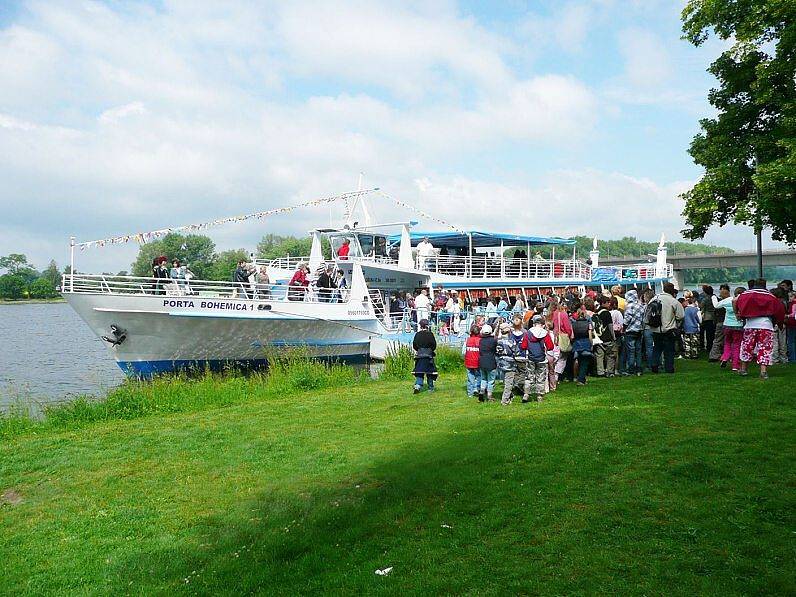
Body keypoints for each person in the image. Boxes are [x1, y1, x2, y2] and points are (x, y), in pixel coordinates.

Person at [735, 280, 785, 379]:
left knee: (747, 347)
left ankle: (743, 369)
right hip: (766, 325)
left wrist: (738, 314)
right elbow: (780, 310)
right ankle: (763, 372)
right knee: (765, 348)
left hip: (750, 324)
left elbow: (735, 301)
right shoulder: (771, 297)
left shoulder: (745, 294)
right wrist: (779, 323)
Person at [649, 282, 685, 374]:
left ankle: (654, 366)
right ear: (672, 291)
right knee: (669, 350)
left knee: (657, 348)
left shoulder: (654, 298)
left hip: (655, 329)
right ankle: (669, 369)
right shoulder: (673, 301)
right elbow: (680, 316)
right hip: (668, 329)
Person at [498, 319, 530, 405]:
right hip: (510, 364)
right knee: (509, 382)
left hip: (501, 363)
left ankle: (510, 395)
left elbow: (497, 352)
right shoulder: (511, 342)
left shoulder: (498, 341)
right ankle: (505, 400)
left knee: (505, 381)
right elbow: (516, 352)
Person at [526, 314, 554, 401]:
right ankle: (539, 396)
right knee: (540, 377)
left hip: (531, 357)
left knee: (529, 376)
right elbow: (550, 346)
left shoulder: (528, 333)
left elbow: (523, 346)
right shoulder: (545, 333)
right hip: (541, 358)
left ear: (533, 323)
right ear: (542, 323)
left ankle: (527, 394)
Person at [717, 286, 744, 370]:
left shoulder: (728, 300)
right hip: (738, 325)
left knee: (727, 342)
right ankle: (735, 365)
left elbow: (717, 306)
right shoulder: (743, 301)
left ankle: (725, 357)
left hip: (727, 325)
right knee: (736, 345)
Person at [592, 296, 616, 377]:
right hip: (607, 336)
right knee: (610, 355)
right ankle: (609, 371)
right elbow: (610, 326)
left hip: (598, 337)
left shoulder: (596, 313)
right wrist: (613, 336)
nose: (609, 304)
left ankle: (600, 371)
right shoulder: (607, 313)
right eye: (607, 302)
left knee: (599, 355)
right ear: (603, 303)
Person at [622, 289, 644, 376]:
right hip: (639, 330)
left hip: (630, 330)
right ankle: (639, 369)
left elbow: (627, 318)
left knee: (631, 351)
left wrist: (624, 326)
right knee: (638, 350)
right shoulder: (640, 306)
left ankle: (631, 369)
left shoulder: (629, 306)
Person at [412, 319, 437, 393]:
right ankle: (430, 388)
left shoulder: (417, 334)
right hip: (428, 355)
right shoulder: (430, 334)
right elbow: (434, 345)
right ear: (427, 325)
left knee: (419, 371)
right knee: (430, 372)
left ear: (420, 326)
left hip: (419, 355)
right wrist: (430, 350)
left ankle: (418, 385)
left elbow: (414, 345)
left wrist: (419, 350)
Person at [570, 305, 594, 386]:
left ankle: (582, 379)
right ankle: (580, 380)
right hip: (586, 343)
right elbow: (590, 335)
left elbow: (572, 336)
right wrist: (591, 344)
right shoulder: (588, 324)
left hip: (577, 344)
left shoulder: (573, 324)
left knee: (579, 361)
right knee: (585, 362)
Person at [477, 324, 498, 401]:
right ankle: (489, 395)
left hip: (482, 362)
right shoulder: (493, 341)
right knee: (491, 380)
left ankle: (481, 392)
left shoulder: (481, 341)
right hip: (491, 362)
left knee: (483, 378)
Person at [462, 324, 482, 399]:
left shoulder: (467, 340)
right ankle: (477, 388)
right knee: (479, 376)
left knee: (470, 377)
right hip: (478, 362)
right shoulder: (480, 340)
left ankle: (470, 393)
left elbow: (463, 352)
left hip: (468, 361)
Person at [699, 285, 716, 354]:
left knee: (708, 334)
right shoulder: (715, 298)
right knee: (713, 334)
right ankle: (713, 346)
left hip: (707, 317)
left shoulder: (705, 299)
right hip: (714, 317)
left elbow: (701, 307)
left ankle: (708, 347)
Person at [610, 296, 624, 374]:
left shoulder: (609, 312)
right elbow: (621, 323)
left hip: (611, 334)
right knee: (617, 353)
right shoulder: (618, 313)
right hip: (617, 334)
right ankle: (616, 369)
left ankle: (612, 369)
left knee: (612, 352)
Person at [786, 290, 796, 363]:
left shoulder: (793, 304)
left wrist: (786, 315)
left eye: (791, 296)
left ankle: (792, 358)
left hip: (792, 324)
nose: (789, 298)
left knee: (791, 341)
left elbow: (793, 314)